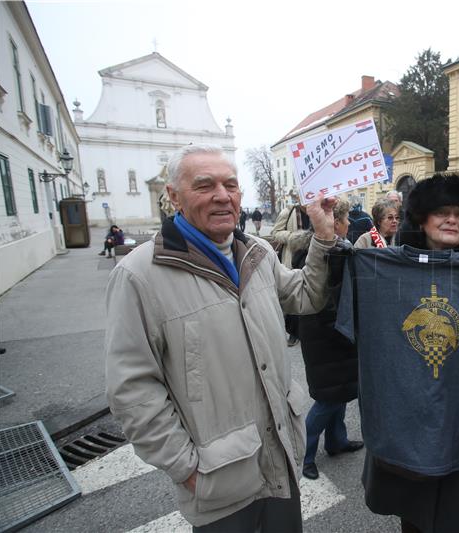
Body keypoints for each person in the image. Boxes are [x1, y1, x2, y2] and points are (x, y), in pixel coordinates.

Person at [104, 144, 337, 531]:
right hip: (219, 481)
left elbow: (305, 295)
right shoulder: (139, 275)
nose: (222, 195)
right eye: (204, 185)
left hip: (281, 457)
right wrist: (187, 469)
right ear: (173, 196)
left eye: (231, 184)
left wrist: (323, 240)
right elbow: (132, 389)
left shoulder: (257, 252)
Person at [340, 173, 459, 533]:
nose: (451, 220)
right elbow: (335, 317)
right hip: (404, 425)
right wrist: (330, 248)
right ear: (422, 219)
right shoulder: (378, 269)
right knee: (414, 521)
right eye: (442, 212)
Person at [292, 198, 364, 481]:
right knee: (329, 396)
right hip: (327, 329)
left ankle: (337, 440)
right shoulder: (328, 250)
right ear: (335, 223)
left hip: (331, 327)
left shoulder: (325, 246)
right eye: (346, 221)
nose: (349, 226)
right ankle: (304, 455)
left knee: (340, 390)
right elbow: (331, 295)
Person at [271, 198, 313, 347]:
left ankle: (306, 331)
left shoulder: (316, 210)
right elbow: (275, 233)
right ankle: (293, 333)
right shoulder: (288, 212)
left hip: (311, 257)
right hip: (293, 256)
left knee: (310, 292)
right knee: (294, 292)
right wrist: (293, 237)